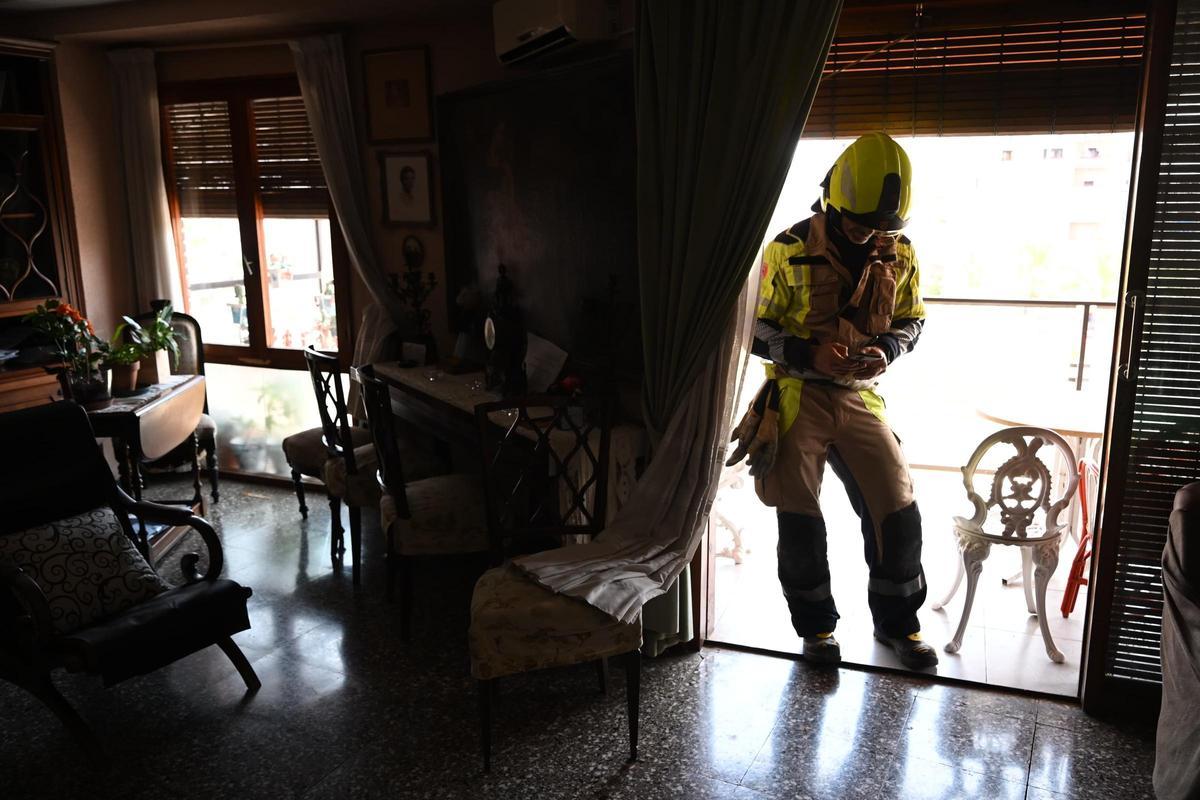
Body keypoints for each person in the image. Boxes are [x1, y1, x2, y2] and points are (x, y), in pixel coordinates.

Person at [727, 132, 937, 669]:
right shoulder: (788, 247)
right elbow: (752, 327)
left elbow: (913, 319)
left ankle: (899, 625)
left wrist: (887, 350)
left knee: (897, 506)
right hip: (797, 394)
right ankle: (816, 630)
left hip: (861, 397)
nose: (870, 234)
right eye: (860, 224)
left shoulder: (900, 250)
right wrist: (806, 353)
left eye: (882, 227)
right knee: (799, 516)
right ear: (831, 201)